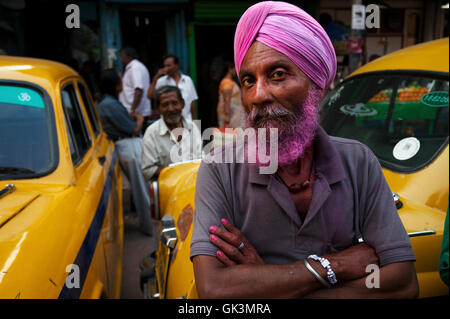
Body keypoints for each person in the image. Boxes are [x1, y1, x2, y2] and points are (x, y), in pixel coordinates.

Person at [190, 1, 418, 299]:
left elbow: (403, 285)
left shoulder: (358, 162)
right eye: (248, 80)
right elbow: (214, 289)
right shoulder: (220, 169)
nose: (258, 95)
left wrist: (266, 282)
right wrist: (332, 266)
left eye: (278, 74)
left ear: (317, 86)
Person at [97, 68, 153, 236]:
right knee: (141, 189)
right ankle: (149, 226)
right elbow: (133, 129)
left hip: (126, 145)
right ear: (115, 84)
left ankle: (148, 224)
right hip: (127, 146)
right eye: (120, 79)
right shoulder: (109, 104)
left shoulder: (109, 102)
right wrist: (140, 119)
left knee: (142, 187)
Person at [141, 86, 202, 181]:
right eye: (165, 105)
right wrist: (178, 172)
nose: (171, 109)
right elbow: (147, 170)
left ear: (182, 104)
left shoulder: (192, 127)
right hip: (169, 190)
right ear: (158, 109)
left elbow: (201, 159)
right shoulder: (152, 133)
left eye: (175, 103)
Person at [147, 54, 198, 121]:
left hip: (186, 121)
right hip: (168, 122)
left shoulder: (187, 80)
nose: (166, 68)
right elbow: (149, 96)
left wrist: (196, 124)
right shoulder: (161, 81)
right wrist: (155, 78)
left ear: (176, 65)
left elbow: (192, 103)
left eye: (168, 65)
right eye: (164, 66)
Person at [119, 46, 152, 119]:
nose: (121, 59)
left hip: (135, 114)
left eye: (122, 56)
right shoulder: (135, 67)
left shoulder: (135, 68)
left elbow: (139, 90)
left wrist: (132, 110)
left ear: (129, 56)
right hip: (136, 112)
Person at [216, 62, 246, 129]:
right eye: (234, 69)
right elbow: (227, 99)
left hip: (233, 113)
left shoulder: (229, 81)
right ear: (230, 69)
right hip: (230, 114)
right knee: (229, 134)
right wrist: (227, 115)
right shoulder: (227, 82)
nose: (236, 71)